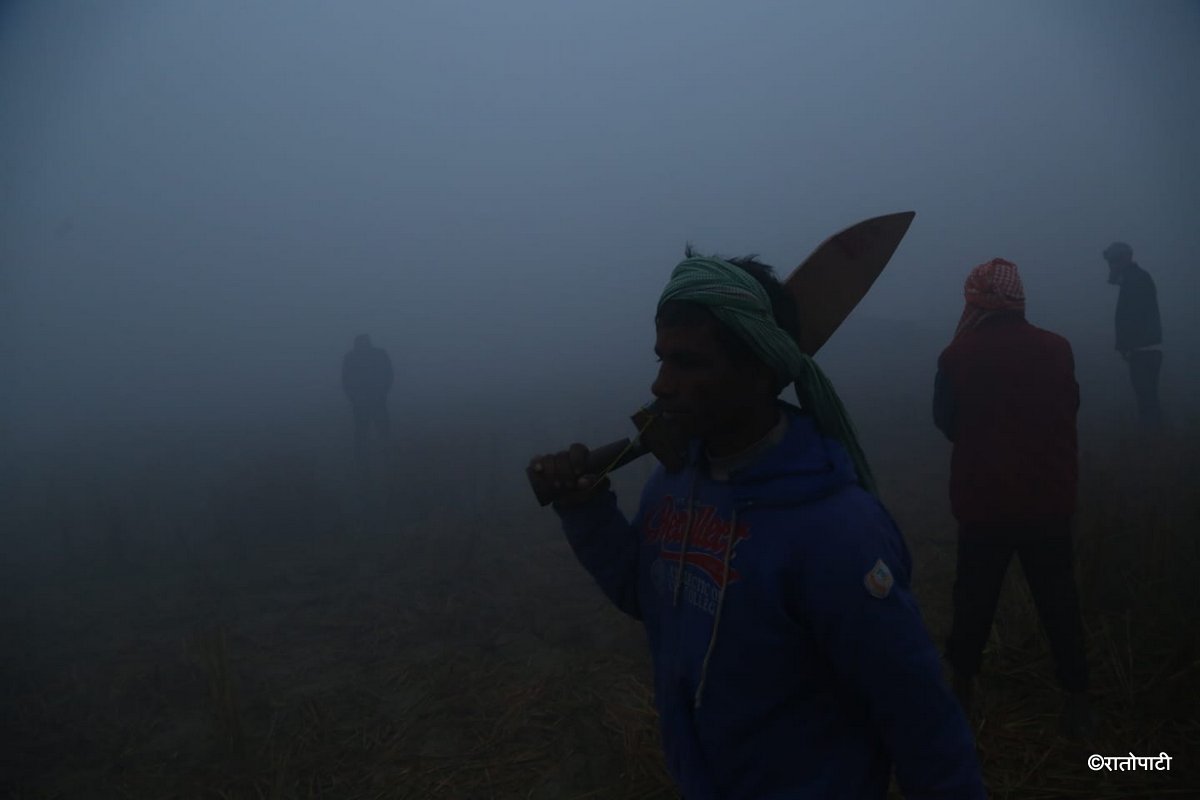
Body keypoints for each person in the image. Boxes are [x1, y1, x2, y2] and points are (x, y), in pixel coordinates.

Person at [530, 252, 985, 799]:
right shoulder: (676, 485)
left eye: (688, 362)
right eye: (661, 360)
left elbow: (921, 723)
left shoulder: (836, 531)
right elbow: (651, 594)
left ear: (760, 369)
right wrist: (585, 511)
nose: (661, 385)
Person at [932, 258, 1093, 737]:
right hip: (1049, 499)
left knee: (975, 598)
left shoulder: (956, 356)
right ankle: (1078, 700)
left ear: (975, 300)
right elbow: (1072, 405)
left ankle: (962, 688)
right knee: (1059, 598)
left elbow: (946, 421)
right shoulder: (1057, 348)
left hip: (984, 502)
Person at [1102, 241, 1163, 429]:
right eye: (1110, 262)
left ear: (1126, 259)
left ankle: (1153, 442)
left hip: (1143, 351)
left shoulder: (1135, 281)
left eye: (1114, 261)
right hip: (1144, 350)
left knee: (1146, 399)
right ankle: (1154, 440)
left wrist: (1127, 345)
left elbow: (1133, 317)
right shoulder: (1136, 279)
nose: (1111, 265)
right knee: (1146, 397)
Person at [341, 334, 394, 467]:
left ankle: (367, 458)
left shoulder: (351, 357)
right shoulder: (377, 354)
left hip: (369, 398)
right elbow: (346, 379)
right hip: (369, 398)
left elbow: (388, 374)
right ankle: (372, 457)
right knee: (368, 430)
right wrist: (353, 396)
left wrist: (352, 396)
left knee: (371, 429)